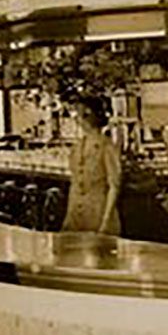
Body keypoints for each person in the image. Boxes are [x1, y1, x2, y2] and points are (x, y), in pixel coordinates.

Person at [62, 95, 122, 235]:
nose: (77, 119)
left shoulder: (106, 146)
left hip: (98, 212)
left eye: (80, 114)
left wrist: (106, 221)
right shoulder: (77, 146)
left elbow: (114, 186)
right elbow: (74, 182)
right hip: (76, 214)